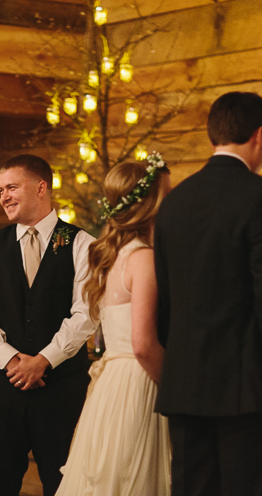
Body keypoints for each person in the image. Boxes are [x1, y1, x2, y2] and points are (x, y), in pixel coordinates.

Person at [154, 91, 262, 496]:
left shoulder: (173, 203)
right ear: (259, 135)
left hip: (185, 387)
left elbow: (164, 303)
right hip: (249, 390)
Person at [0, 154, 96, 496]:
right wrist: (13, 361)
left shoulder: (83, 245)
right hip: (2, 388)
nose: (3, 196)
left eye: (11, 187)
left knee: (64, 482)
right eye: (0, 190)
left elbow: (87, 313)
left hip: (61, 388)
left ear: (41, 188)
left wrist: (44, 360)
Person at [55, 156, 172, 495]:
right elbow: (144, 345)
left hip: (111, 384)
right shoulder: (143, 258)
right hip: (139, 381)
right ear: (149, 203)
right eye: (167, 194)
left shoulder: (110, 256)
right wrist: (175, 386)